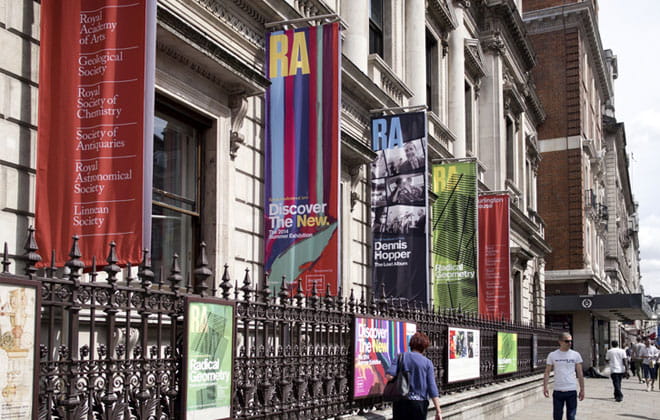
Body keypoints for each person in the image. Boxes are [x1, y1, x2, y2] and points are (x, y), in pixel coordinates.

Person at [385, 332, 442, 420]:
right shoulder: (427, 363)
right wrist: (438, 410)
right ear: (424, 347)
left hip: (401, 402)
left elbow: (389, 376)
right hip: (419, 404)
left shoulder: (401, 357)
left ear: (411, 344)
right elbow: (432, 387)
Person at [543, 332, 585, 420]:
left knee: (571, 416)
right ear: (560, 342)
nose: (569, 343)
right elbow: (547, 372)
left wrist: (582, 389)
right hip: (558, 390)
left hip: (571, 390)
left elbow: (580, 373)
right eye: (567, 341)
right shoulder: (552, 355)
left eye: (570, 341)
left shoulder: (575, 355)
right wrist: (545, 387)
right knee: (557, 416)